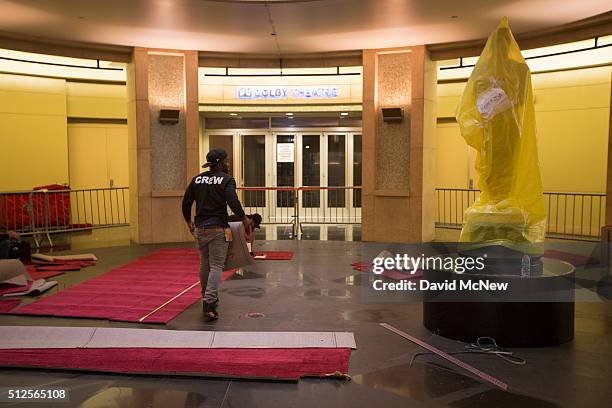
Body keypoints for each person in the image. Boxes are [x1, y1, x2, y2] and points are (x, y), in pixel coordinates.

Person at [182, 148, 248, 321]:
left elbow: (186, 202)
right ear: (219, 163)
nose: (228, 164)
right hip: (217, 228)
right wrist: (243, 218)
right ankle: (209, 303)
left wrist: (188, 221)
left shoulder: (197, 179)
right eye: (226, 161)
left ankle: (206, 296)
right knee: (216, 266)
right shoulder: (226, 180)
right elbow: (233, 202)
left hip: (200, 228)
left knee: (205, 263)